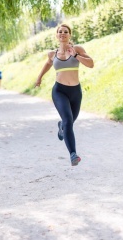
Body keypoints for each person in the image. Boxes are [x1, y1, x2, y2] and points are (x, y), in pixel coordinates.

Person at [35, 24, 94, 166]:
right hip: (59, 91)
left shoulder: (77, 49)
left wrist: (76, 55)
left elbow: (91, 64)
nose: (63, 33)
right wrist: (39, 77)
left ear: (69, 35)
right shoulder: (52, 54)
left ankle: (61, 126)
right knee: (68, 120)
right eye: (60, 32)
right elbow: (48, 64)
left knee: (69, 122)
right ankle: (73, 154)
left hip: (75, 92)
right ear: (57, 35)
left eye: (65, 32)